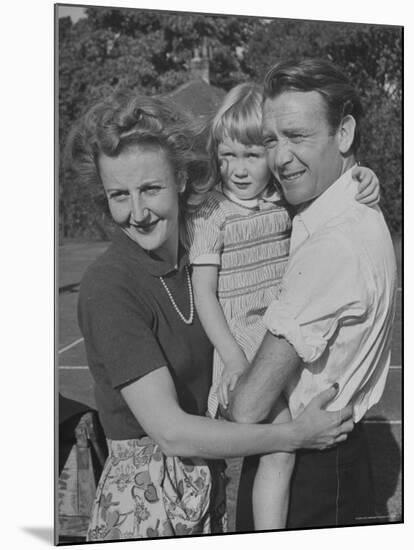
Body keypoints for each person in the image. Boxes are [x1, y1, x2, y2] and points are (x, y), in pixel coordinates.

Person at [67, 90, 354, 541]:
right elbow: (173, 433)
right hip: (145, 506)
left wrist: (360, 178)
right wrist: (293, 436)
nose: (137, 213)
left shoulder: (199, 260)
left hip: (205, 493)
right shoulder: (110, 288)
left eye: (151, 189)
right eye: (119, 195)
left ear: (181, 178)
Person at [185, 82, 380, 530]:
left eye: (251, 155)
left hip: (283, 334)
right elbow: (205, 295)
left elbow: (333, 199)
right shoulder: (210, 215)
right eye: (226, 155)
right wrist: (234, 359)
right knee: (279, 449)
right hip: (242, 344)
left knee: (281, 446)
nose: (237, 168)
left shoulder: (282, 200)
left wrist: (363, 176)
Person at [228, 58, 398, 530]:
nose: (279, 157)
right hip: (332, 458)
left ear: (343, 134)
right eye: (270, 140)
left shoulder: (335, 243)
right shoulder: (345, 212)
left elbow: (248, 408)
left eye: (297, 136)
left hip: (310, 471)